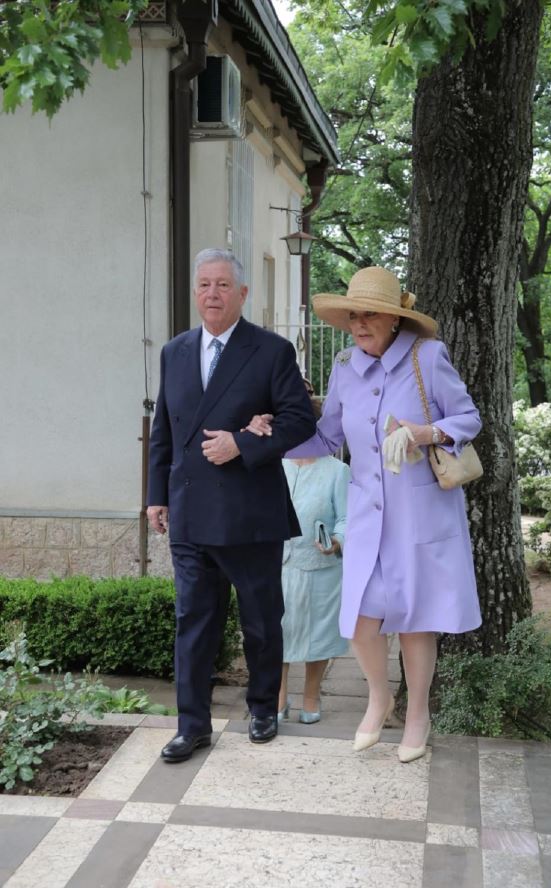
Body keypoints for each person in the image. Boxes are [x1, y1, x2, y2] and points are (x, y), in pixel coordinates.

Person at [246, 266, 482, 762]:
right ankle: (379, 696)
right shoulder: (344, 367)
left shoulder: (427, 356)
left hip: (420, 513)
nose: (359, 324)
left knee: (416, 620)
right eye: (353, 316)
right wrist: (272, 438)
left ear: (394, 319)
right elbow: (327, 437)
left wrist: (424, 433)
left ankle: (417, 715)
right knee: (360, 619)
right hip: (367, 518)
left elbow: (468, 418)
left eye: (369, 315)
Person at [147, 248, 316, 761]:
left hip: (250, 512)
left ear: (242, 293)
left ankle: (263, 708)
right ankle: (192, 725)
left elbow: (299, 419)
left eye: (222, 285)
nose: (212, 294)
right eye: (204, 285)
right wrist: (156, 496)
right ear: (194, 292)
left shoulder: (271, 350)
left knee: (261, 621)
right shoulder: (174, 351)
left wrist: (241, 443)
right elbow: (164, 430)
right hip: (189, 509)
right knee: (193, 623)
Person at [279, 383, 350, 724]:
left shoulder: (337, 471)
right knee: (276, 630)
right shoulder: (275, 466)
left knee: (319, 633)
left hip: (321, 567)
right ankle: (278, 696)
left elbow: (348, 518)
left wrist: (337, 540)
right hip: (278, 565)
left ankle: (311, 694)